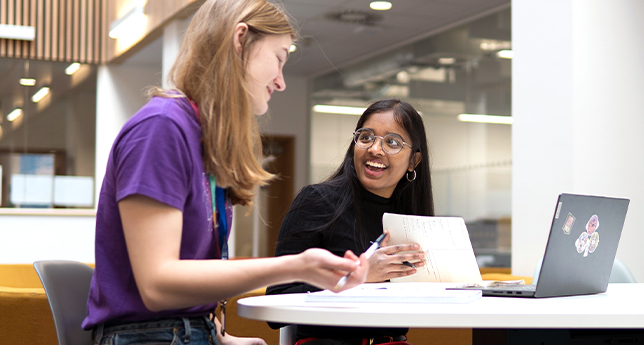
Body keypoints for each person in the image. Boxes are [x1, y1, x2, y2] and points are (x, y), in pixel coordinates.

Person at [82, 1, 369, 345]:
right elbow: (158, 285)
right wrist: (295, 266)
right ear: (241, 40)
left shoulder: (202, 141)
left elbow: (186, 291)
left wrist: (226, 339)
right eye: (278, 58)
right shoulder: (161, 128)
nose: (281, 82)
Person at [266, 99, 434, 345]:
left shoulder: (412, 219)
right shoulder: (317, 201)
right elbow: (276, 300)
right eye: (366, 137)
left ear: (413, 162)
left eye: (393, 142)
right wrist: (360, 278)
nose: (375, 149)